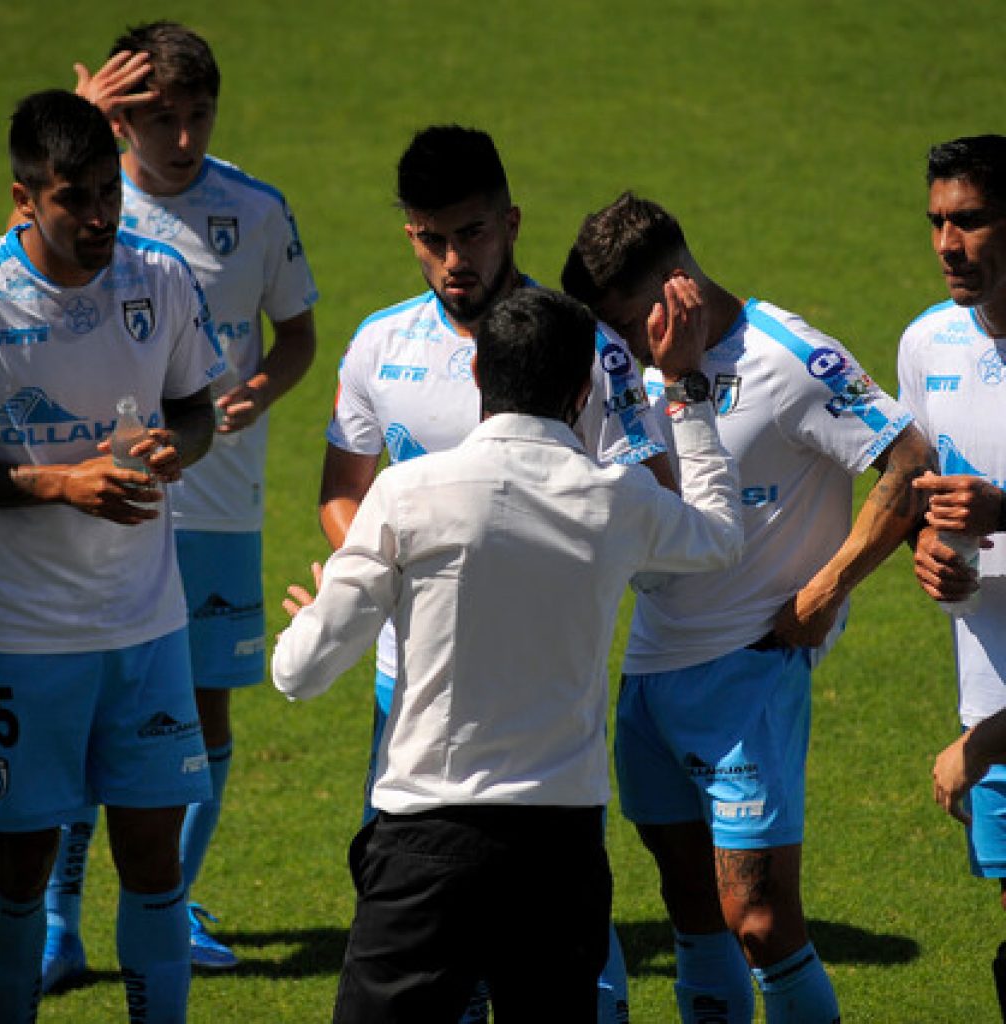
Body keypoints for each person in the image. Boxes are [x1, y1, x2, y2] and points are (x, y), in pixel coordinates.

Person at [275, 285, 743, 1023]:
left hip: (424, 843)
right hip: (560, 856)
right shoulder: (617, 500)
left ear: (476, 376)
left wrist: (309, 621)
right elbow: (719, 534)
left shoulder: (404, 493)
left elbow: (298, 674)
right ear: (583, 389)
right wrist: (685, 388)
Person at [318, 124, 668, 1024]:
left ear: (510, 222)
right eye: (430, 238)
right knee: (420, 933)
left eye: (470, 233)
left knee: (561, 952)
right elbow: (342, 494)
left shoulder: (584, 349)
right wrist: (382, 576)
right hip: (413, 695)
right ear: (409, 233)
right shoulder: (376, 349)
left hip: (541, 698)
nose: (451, 259)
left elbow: (651, 503)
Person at [561, 191, 933, 1024]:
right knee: (691, 909)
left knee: (760, 923)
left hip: (750, 672)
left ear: (678, 286)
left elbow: (909, 460)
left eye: (625, 322)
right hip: (649, 670)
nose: (615, 346)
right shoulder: (627, 364)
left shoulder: (788, 358)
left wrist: (826, 589)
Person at [36, 21, 319, 986]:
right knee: (84, 718)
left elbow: (297, 336)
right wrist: (78, 121)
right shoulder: (95, 212)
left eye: (199, 116)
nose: (184, 139)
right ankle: (55, 927)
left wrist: (263, 389)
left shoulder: (258, 208)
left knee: (201, 719)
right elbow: (18, 254)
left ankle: (172, 905)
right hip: (99, 507)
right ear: (124, 124)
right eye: (161, 119)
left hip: (219, 507)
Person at [0, 89, 219, 1022]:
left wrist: (176, 447)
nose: (98, 220)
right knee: (21, 861)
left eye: (108, 197)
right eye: (73, 200)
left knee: (154, 860)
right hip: (21, 636)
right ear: (26, 196)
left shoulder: (157, 280)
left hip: (147, 625)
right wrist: (55, 482)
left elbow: (195, 409)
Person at [896, 134, 1006, 1018]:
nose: (947, 244)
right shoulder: (926, 344)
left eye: (969, 220)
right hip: (987, 693)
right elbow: (920, 504)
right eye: (936, 221)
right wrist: (926, 552)